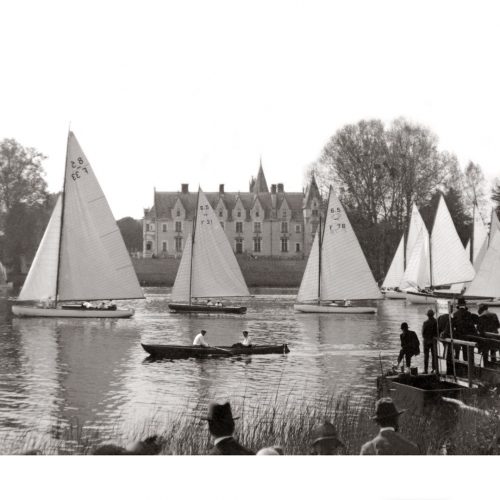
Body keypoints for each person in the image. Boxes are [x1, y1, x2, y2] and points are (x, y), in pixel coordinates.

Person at [421, 309, 438, 373]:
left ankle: (425, 370)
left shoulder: (425, 323)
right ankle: (434, 369)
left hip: (426, 341)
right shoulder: (436, 322)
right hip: (433, 341)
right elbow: (437, 332)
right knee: (434, 355)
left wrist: (426, 338)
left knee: (426, 356)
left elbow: (423, 333)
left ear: (428, 315)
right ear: (433, 315)